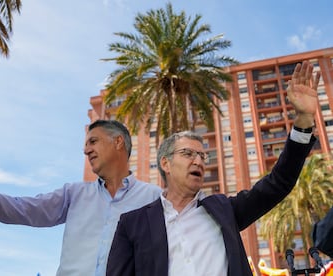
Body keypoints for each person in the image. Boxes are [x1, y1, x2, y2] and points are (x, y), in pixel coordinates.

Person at [106, 60, 320, 276]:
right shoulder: (132, 224)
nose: (198, 161)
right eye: (188, 154)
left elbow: (278, 183)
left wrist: (303, 120)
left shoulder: (224, 210)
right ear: (165, 163)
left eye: (201, 155)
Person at [0, 119, 162, 276]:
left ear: (118, 142)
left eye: (93, 141)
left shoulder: (155, 199)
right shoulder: (74, 194)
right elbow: (18, 209)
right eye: (85, 144)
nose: (86, 149)